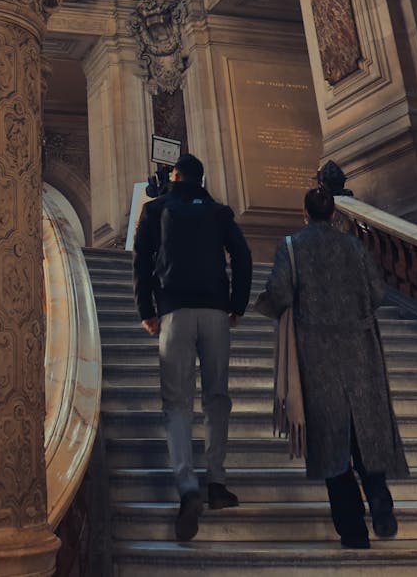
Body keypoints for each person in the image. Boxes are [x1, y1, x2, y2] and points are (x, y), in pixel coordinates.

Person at [263, 185, 408, 550]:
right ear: (333, 214)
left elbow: (279, 293)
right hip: (360, 350)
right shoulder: (355, 247)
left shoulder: (292, 247)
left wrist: (265, 308)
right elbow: (377, 293)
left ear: (305, 213)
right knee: (365, 429)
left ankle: (352, 531)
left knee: (330, 441)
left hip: (316, 356)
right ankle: (379, 496)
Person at [133, 152, 253, 541]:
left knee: (176, 403)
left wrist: (146, 310)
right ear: (201, 179)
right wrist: (236, 304)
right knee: (217, 396)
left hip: (175, 312)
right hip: (216, 311)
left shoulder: (156, 209)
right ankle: (216, 483)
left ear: (175, 175)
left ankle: (187, 489)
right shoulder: (219, 212)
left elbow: (141, 261)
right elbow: (244, 255)